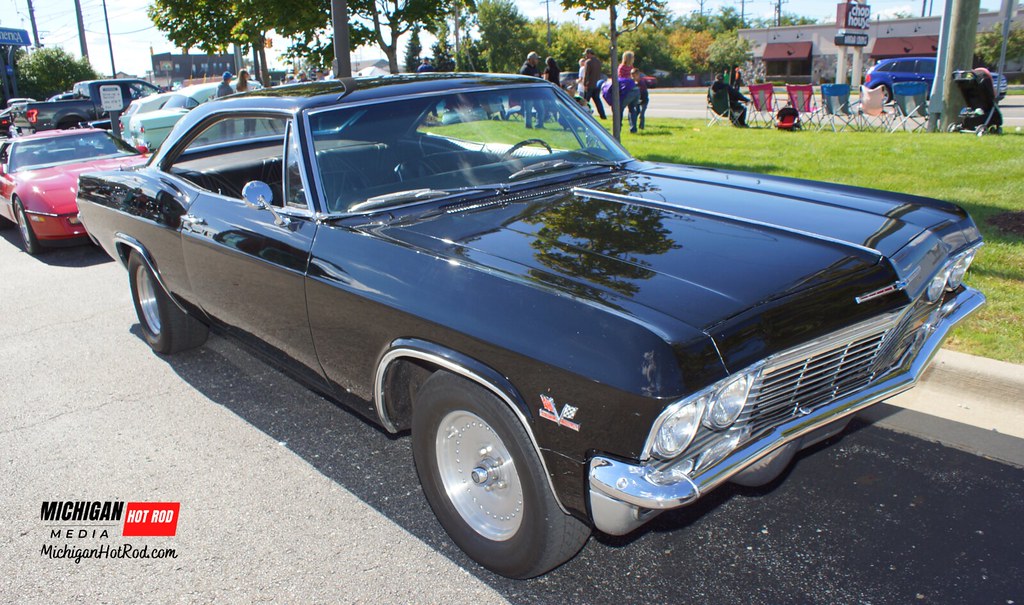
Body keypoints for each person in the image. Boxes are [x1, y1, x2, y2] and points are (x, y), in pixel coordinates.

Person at [582, 48, 607, 119]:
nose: (586, 56)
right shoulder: (598, 62)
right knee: (597, 100)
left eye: (586, 54)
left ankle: (584, 114)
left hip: (589, 84)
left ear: (589, 54)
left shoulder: (588, 62)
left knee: (585, 101)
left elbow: (586, 74)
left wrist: (585, 84)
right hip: (597, 84)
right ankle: (603, 115)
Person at [520, 52, 543, 128]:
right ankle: (528, 125)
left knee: (541, 109)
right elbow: (523, 82)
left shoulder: (536, 69)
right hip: (528, 94)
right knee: (528, 111)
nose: (537, 60)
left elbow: (540, 79)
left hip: (537, 94)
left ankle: (539, 125)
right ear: (531, 59)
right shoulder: (525, 69)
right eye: (536, 59)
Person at [630, 68, 649, 132]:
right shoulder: (633, 83)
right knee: (636, 112)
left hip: (644, 100)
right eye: (632, 76)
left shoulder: (641, 83)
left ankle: (641, 126)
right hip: (637, 100)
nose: (633, 77)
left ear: (638, 75)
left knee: (642, 114)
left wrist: (641, 99)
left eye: (634, 76)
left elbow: (644, 93)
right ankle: (634, 125)